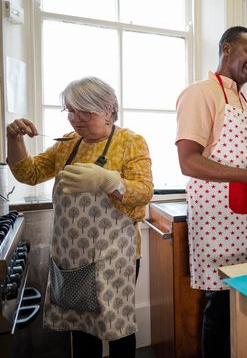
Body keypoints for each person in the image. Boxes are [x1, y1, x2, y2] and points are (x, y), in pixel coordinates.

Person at [6, 76, 153, 357]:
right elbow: (29, 173)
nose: (75, 119)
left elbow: (144, 192)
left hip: (115, 256)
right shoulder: (68, 144)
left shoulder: (130, 142)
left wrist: (110, 181)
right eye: (71, 111)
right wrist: (14, 140)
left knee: (118, 329)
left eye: (85, 111)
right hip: (71, 257)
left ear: (109, 110)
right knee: (82, 329)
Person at [175, 26, 247, 358]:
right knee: (222, 302)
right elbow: (189, 162)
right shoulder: (201, 93)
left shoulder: (243, 100)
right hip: (218, 218)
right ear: (226, 48)